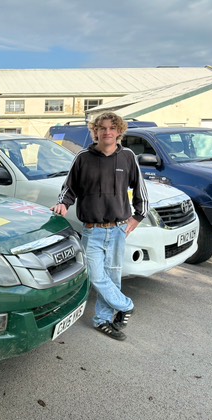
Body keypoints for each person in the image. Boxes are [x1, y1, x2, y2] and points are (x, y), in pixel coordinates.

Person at [51, 112, 149, 341]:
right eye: (102, 128)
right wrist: (63, 204)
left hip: (118, 229)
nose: (107, 132)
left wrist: (138, 216)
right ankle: (126, 305)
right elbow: (69, 188)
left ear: (118, 131)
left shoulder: (127, 156)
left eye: (111, 128)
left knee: (113, 277)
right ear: (95, 131)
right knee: (95, 275)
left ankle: (102, 320)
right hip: (92, 230)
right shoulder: (83, 158)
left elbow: (140, 189)